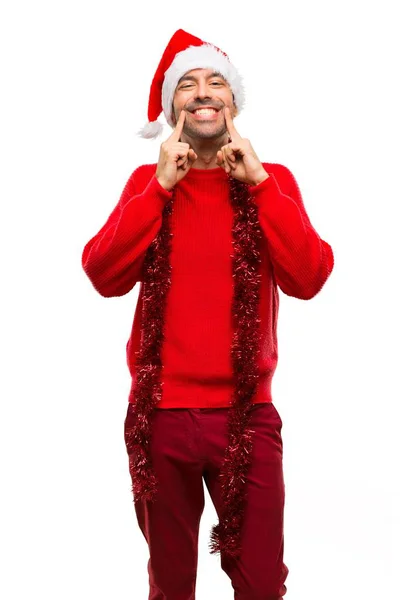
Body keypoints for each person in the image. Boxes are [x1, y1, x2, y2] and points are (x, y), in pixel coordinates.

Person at [81, 28, 334, 600]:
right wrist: (160, 189)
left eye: (216, 82)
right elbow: (102, 275)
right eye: (188, 85)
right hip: (160, 416)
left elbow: (310, 278)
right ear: (172, 107)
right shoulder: (148, 185)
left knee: (261, 582)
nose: (203, 92)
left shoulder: (273, 181)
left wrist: (263, 185)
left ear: (233, 104)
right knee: (171, 584)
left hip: (248, 416)